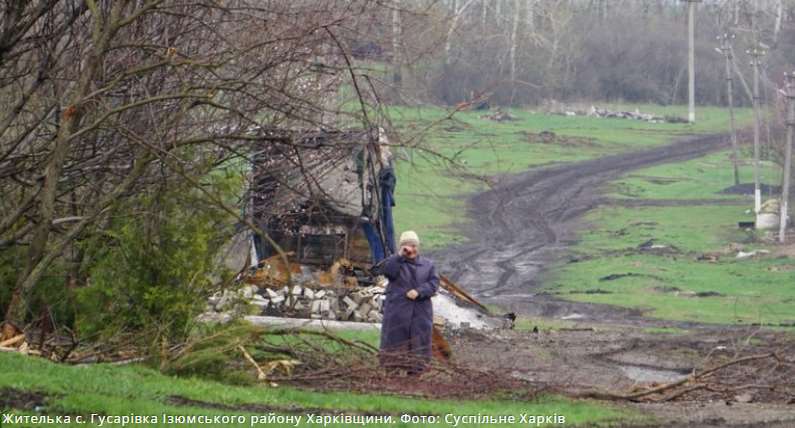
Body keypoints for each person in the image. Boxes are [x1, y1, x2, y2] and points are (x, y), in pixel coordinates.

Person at [378, 230, 439, 375]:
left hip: (420, 311)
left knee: (418, 342)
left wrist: (419, 291)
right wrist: (400, 255)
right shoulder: (395, 262)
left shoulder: (428, 265)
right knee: (394, 341)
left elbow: (434, 283)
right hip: (397, 311)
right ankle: (392, 371)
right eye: (407, 246)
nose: (411, 249)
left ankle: (416, 374)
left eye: (414, 245)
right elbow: (388, 272)